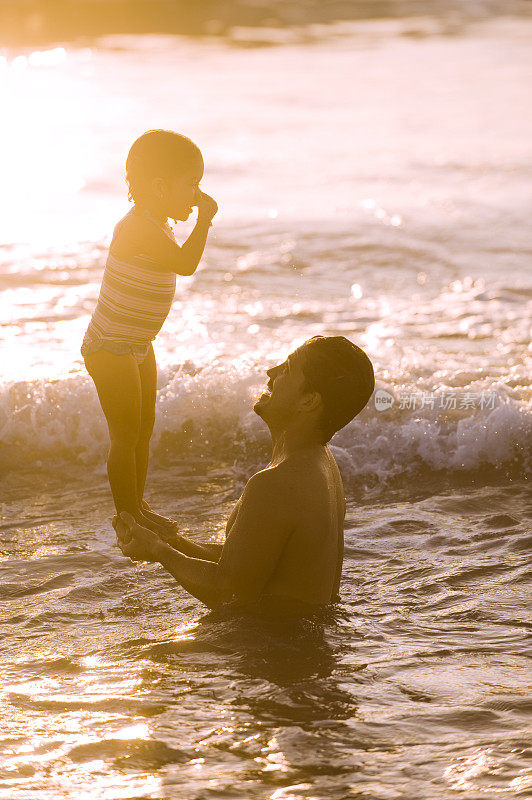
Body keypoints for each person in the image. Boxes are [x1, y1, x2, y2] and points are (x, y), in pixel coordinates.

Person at [114, 335, 375, 618]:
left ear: (309, 401)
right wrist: (173, 542)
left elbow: (231, 593)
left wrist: (158, 552)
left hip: (274, 651)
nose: (271, 373)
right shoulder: (320, 464)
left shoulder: (278, 482)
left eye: (287, 369)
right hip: (305, 643)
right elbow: (246, 565)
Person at [82, 129, 218, 536]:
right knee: (125, 434)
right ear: (160, 188)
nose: (197, 195)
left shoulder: (158, 219)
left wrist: (195, 211)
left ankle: (137, 506)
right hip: (110, 346)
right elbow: (186, 263)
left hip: (139, 344)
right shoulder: (138, 227)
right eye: (191, 185)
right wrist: (206, 221)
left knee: (144, 428)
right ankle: (127, 518)